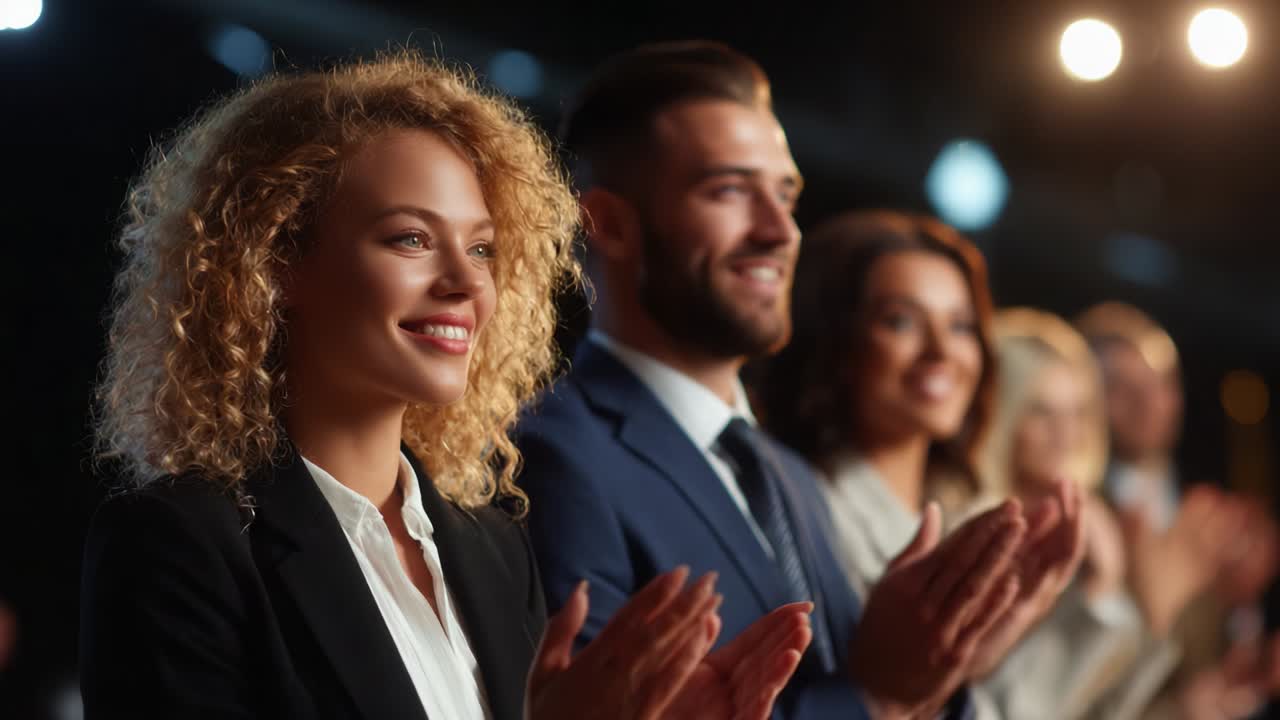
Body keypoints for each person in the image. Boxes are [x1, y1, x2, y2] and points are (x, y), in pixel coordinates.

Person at [80, 51, 811, 720]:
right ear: (275, 262)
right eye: (411, 239)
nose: (466, 284)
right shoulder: (177, 542)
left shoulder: (491, 544)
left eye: (483, 248)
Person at [517, 43, 1064, 719]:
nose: (780, 232)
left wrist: (945, 669)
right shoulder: (550, 456)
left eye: (785, 194)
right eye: (728, 191)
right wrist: (881, 692)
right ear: (610, 224)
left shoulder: (788, 477)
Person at [751, 210, 1088, 716]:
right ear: (836, 341)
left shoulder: (970, 511)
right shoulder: (792, 508)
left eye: (960, 326)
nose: (941, 352)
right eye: (901, 321)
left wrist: (970, 663)